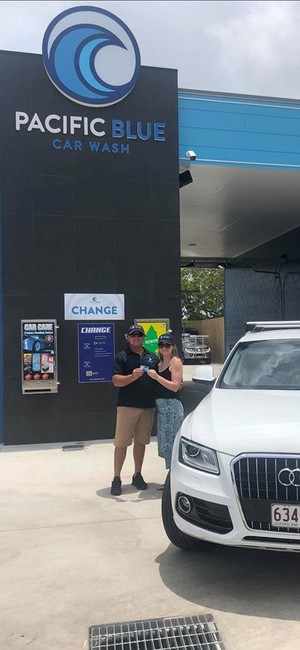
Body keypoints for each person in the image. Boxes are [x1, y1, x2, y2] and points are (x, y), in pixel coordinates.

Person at [110, 324, 159, 496]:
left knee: (141, 442)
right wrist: (132, 376)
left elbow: (160, 379)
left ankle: (137, 474)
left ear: (144, 337)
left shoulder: (153, 357)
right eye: (133, 335)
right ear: (127, 337)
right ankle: (116, 478)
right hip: (127, 406)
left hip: (147, 407)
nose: (136, 338)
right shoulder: (122, 357)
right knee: (121, 443)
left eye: (139, 335)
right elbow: (116, 381)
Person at [147, 333, 184, 485]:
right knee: (165, 444)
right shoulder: (158, 363)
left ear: (173, 347)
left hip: (172, 407)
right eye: (161, 345)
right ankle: (171, 479)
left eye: (167, 345)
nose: (164, 348)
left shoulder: (175, 362)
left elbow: (175, 386)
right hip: (162, 409)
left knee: (173, 444)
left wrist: (157, 377)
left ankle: (174, 480)